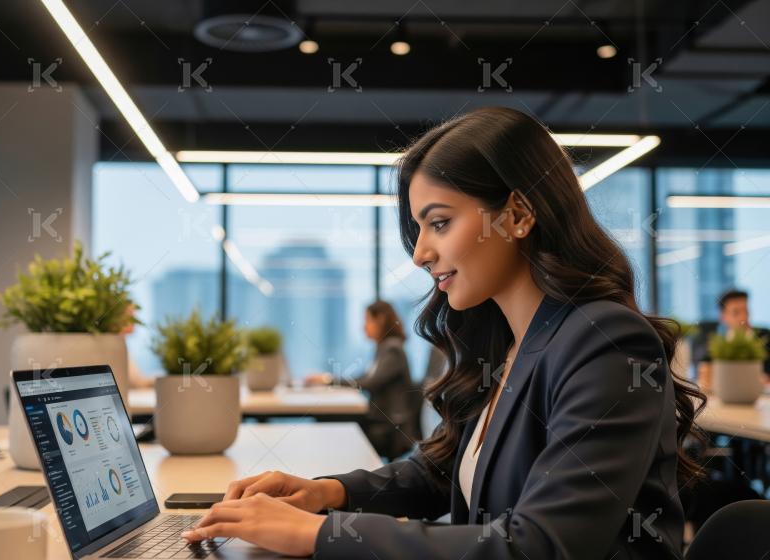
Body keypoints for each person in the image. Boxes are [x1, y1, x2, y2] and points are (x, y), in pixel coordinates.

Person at [182, 107, 706, 559]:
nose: (419, 254)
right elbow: (444, 470)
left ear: (518, 214)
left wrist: (324, 535)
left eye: (438, 223)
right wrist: (326, 493)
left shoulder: (605, 342)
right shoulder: (508, 341)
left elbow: (542, 546)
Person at [304, 300, 418, 459]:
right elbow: (364, 378)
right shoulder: (384, 348)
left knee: (330, 422)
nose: (364, 327)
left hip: (389, 427)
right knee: (329, 420)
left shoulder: (392, 349)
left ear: (381, 320)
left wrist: (327, 380)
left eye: (367, 320)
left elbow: (370, 383)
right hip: (381, 421)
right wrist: (328, 379)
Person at [693, 289, 770, 389]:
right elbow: (704, 375)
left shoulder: (765, 337)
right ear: (723, 317)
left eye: (746, 311)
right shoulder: (718, 344)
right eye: (736, 313)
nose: (744, 317)